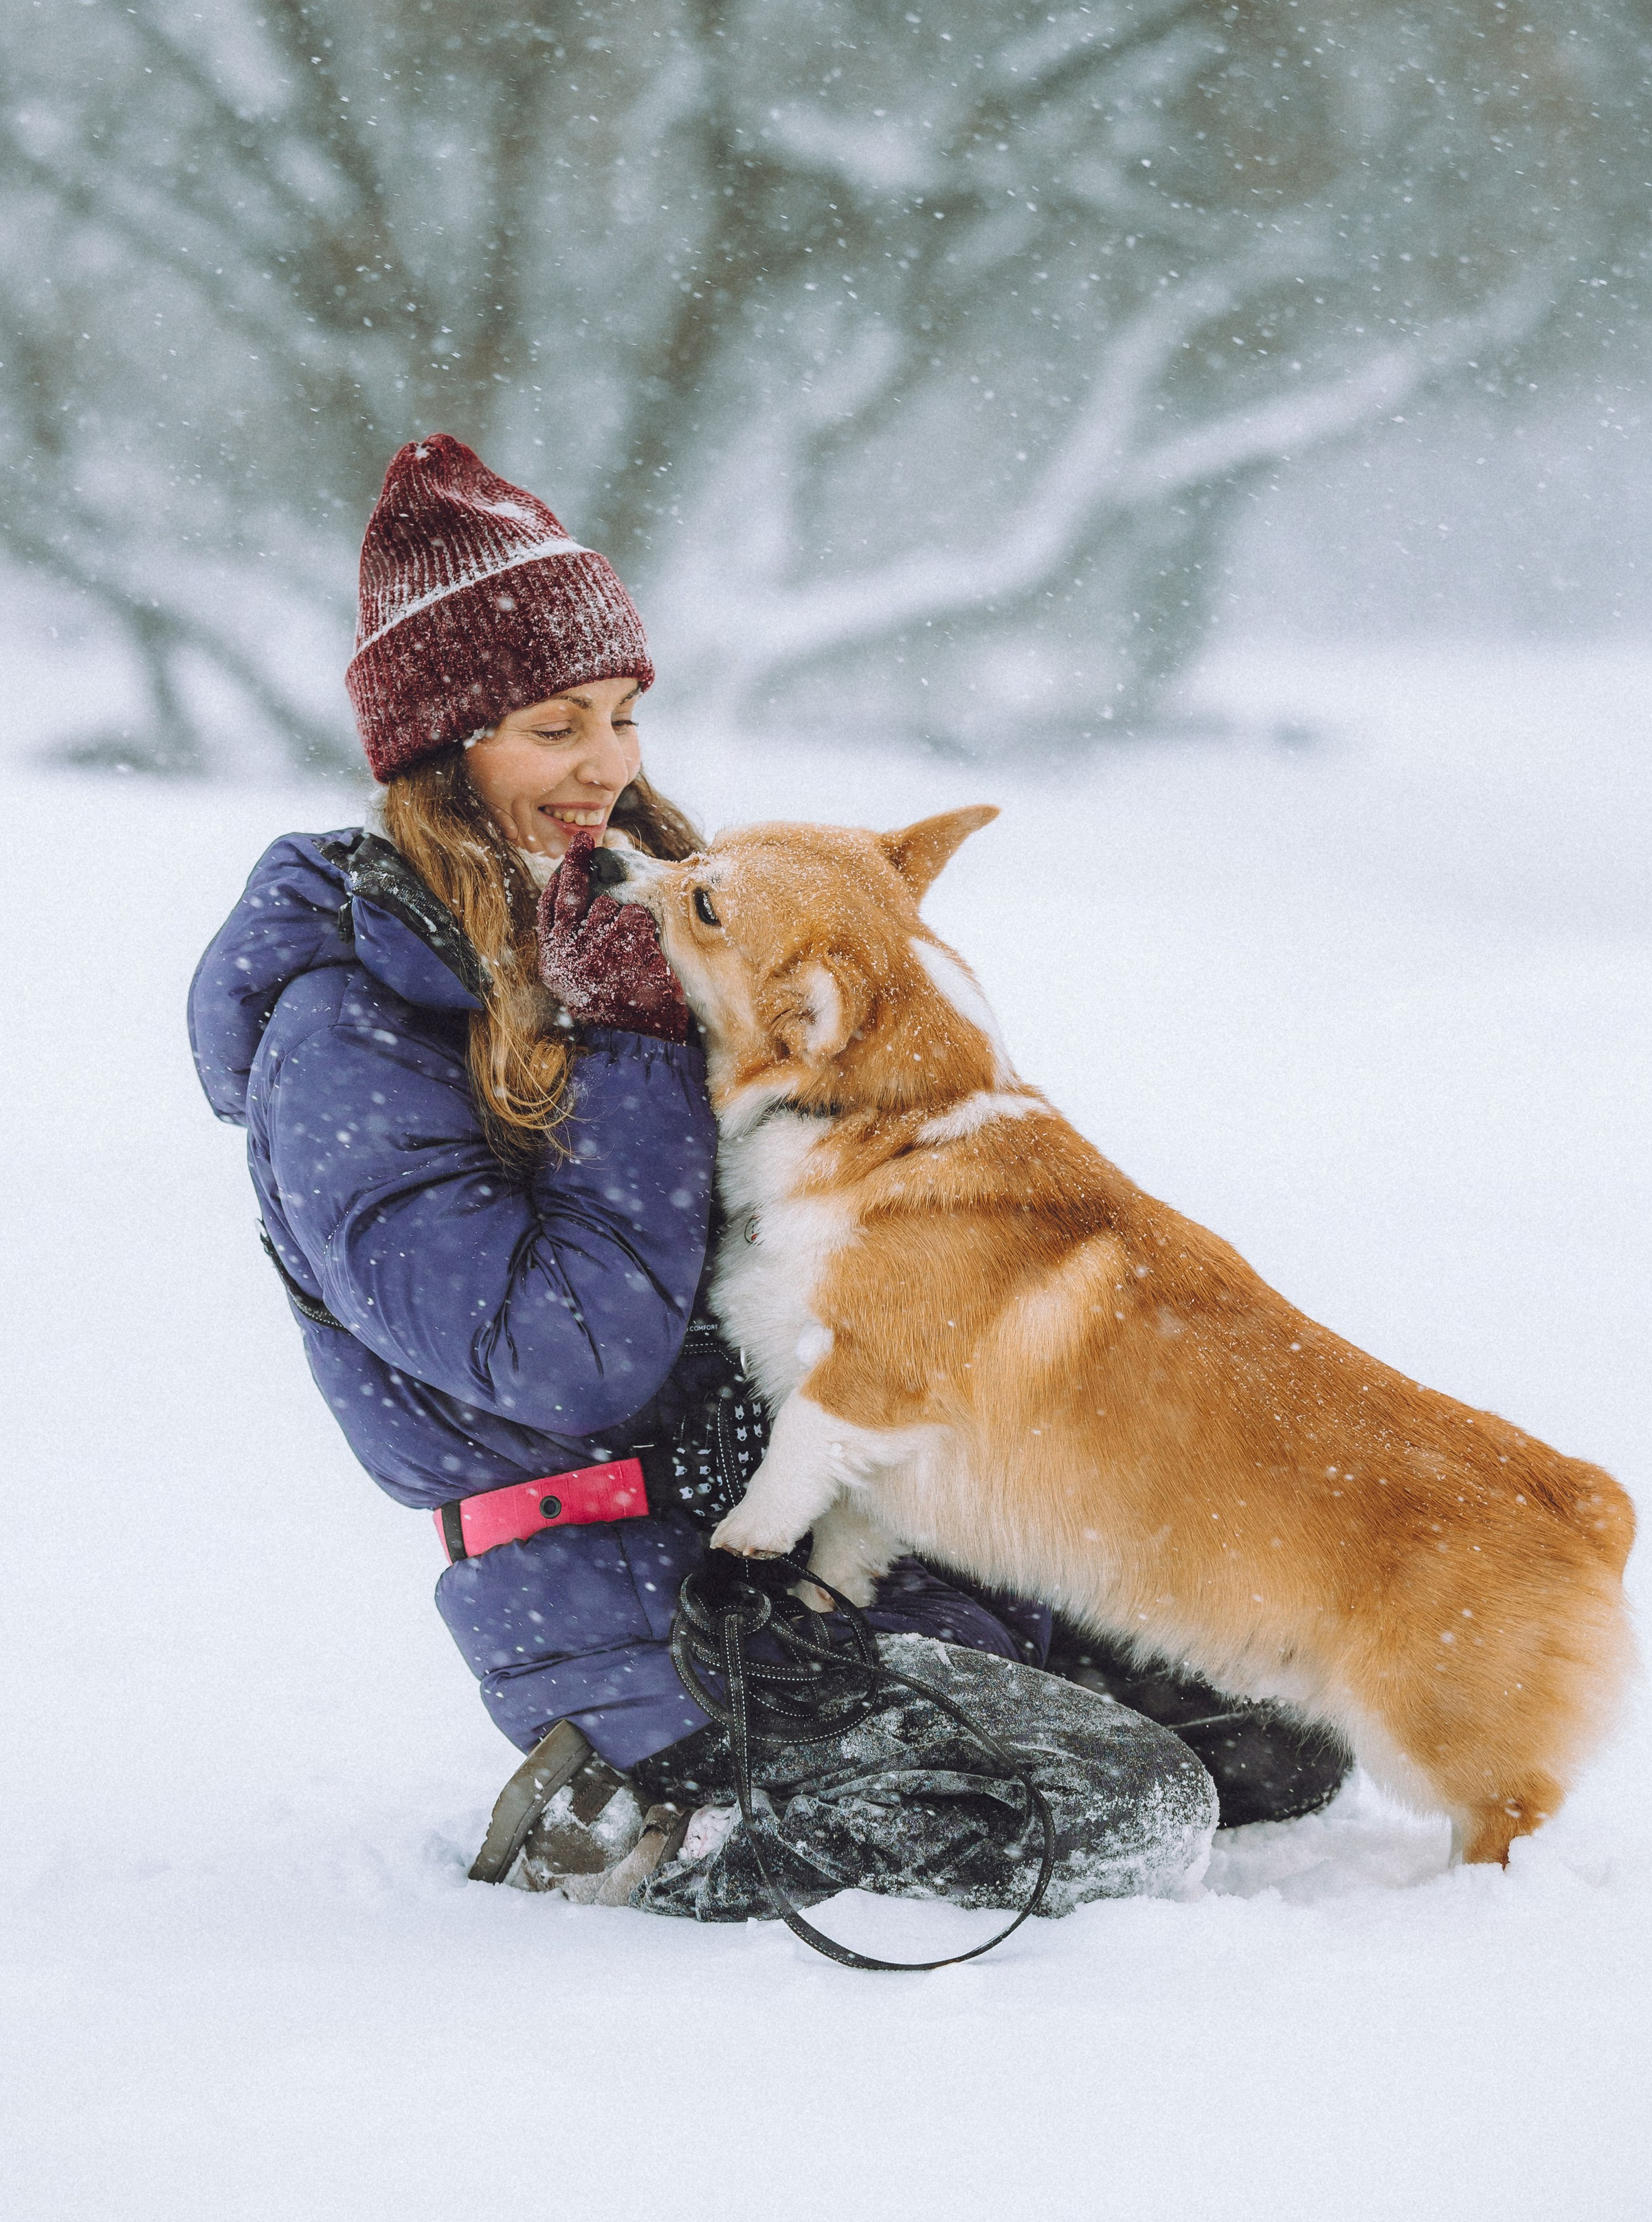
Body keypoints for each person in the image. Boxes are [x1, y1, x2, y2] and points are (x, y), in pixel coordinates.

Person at [188, 434, 1348, 1924]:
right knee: (1111, 1808)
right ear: (442, 748)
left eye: (617, 717)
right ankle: (631, 1814)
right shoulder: (344, 1034)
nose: (605, 765)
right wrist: (619, 1047)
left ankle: (860, 1738)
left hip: (812, 1529)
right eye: (553, 726)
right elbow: (567, 1359)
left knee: (1279, 1731)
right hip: (615, 1585)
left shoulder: (657, 925)